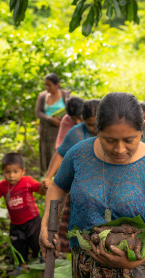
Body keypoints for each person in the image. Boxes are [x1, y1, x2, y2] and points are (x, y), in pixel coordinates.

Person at [40, 92, 145, 278]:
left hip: (143, 270)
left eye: (129, 140)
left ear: (142, 131)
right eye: (110, 140)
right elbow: (58, 187)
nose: (120, 149)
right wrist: (47, 224)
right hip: (87, 269)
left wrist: (136, 259)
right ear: (97, 131)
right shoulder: (79, 154)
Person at [43, 99, 100, 253]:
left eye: (97, 124)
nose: (94, 128)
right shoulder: (76, 134)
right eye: (90, 124)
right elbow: (61, 154)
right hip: (81, 192)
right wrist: (48, 177)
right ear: (83, 121)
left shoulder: (111, 131)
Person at [0, 153, 46, 275]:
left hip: (33, 221)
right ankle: (22, 266)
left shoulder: (27, 182)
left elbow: (40, 190)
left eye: (15, 171)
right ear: (2, 172)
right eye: (7, 172)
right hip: (16, 224)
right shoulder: (2, 186)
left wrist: (44, 186)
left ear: (23, 171)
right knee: (18, 245)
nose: (11, 175)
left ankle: (43, 261)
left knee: (37, 242)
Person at [35, 73, 70, 174]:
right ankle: (45, 177)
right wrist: (51, 119)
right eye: (45, 85)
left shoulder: (65, 95)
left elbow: (70, 110)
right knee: (45, 154)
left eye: (49, 85)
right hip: (46, 130)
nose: (47, 88)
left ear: (57, 85)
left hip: (61, 130)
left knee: (58, 154)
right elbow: (38, 112)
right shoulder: (42, 96)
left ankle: (58, 178)